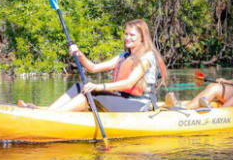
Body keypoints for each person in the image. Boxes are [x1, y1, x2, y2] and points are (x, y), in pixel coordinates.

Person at [19, 19, 167, 112]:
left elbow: (128, 83)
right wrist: (79, 54)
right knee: (78, 87)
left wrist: (98, 87)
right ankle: (48, 112)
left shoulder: (147, 57)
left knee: (88, 96)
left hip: (139, 104)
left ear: (142, 37)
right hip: (122, 99)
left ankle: (50, 116)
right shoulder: (123, 56)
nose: (127, 38)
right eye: (126, 34)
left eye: (132, 35)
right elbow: (93, 68)